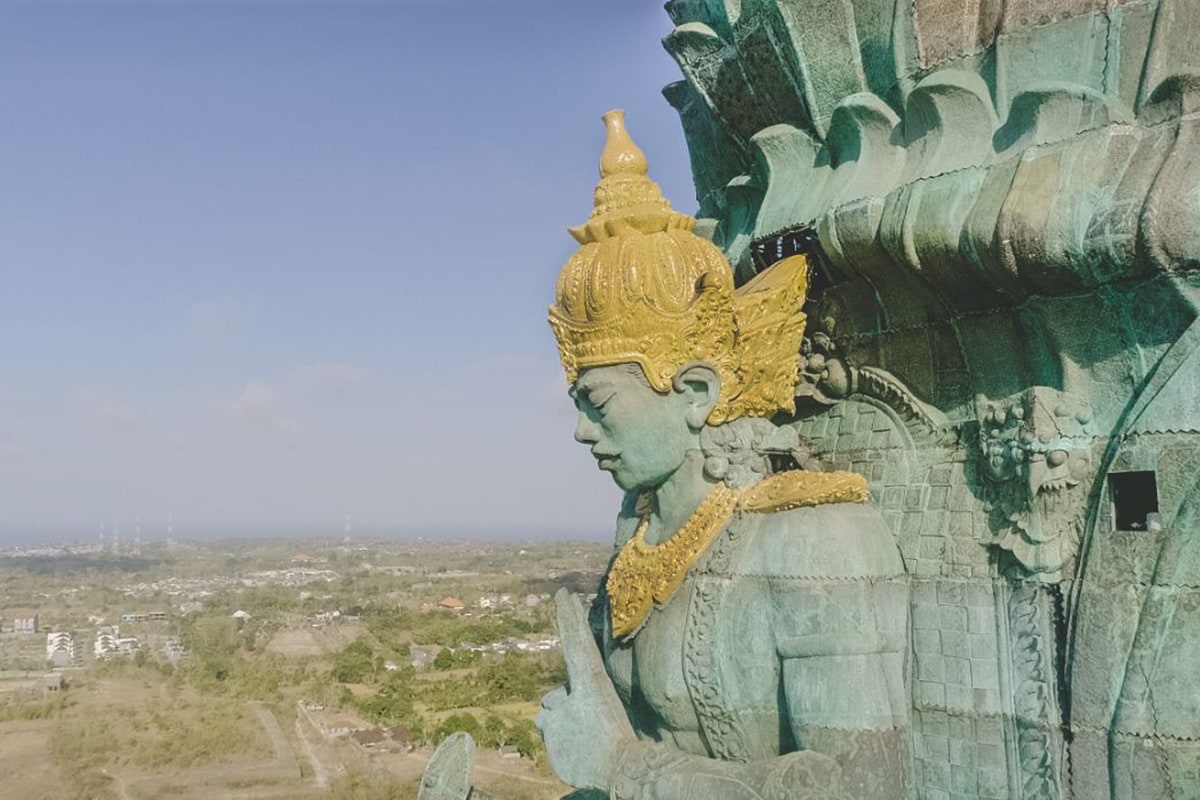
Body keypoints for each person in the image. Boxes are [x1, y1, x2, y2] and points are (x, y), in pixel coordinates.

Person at [535, 111, 911, 800]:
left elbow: (864, 788)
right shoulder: (641, 535)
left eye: (600, 402)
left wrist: (622, 768)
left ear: (695, 392)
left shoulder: (815, 542)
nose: (582, 432)